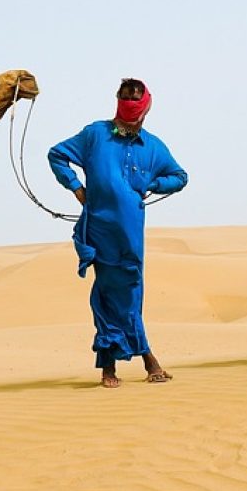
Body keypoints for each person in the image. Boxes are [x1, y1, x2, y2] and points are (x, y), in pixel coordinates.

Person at [48, 79, 188, 387]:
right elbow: (56, 154)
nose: (130, 103)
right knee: (108, 294)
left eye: (135, 99)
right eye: (126, 97)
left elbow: (180, 177)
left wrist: (151, 184)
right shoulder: (95, 134)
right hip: (99, 229)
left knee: (131, 293)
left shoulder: (151, 146)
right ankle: (123, 364)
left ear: (146, 104)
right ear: (117, 100)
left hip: (130, 234)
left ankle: (139, 358)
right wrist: (76, 187)